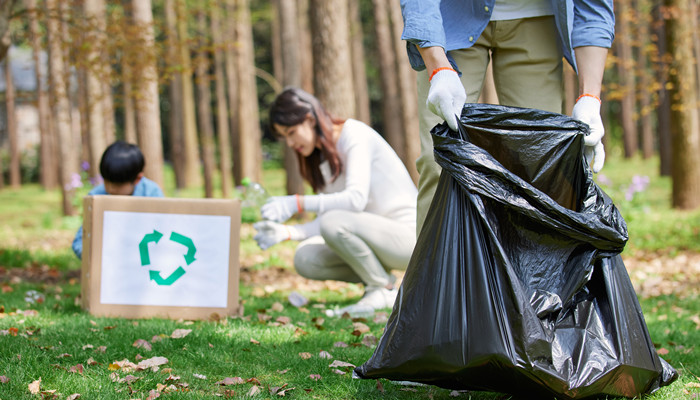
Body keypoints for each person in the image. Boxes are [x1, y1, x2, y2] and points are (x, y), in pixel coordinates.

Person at [401, 0, 614, 232]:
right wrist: (437, 67)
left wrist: (590, 98)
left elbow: (594, 7)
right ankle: (438, 268)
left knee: (540, 167)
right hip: (450, 19)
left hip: (536, 21)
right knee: (440, 165)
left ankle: (532, 269)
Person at [253, 88, 417, 314]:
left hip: (411, 241)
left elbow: (354, 201)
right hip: (373, 240)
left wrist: (297, 203)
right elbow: (327, 223)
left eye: (291, 132)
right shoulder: (322, 159)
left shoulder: (354, 135)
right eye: (285, 137)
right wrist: (286, 232)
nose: (290, 143)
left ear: (310, 119)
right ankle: (383, 284)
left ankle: (382, 288)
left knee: (333, 221)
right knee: (305, 258)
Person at [72, 141, 164, 259]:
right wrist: (96, 257)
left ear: (137, 179)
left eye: (117, 185)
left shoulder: (151, 193)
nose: (110, 188)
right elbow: (80, 241)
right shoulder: (97, 196)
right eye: (106, 181)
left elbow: (161, 233)